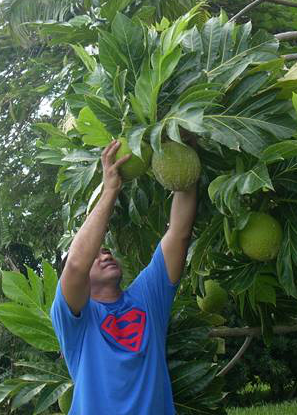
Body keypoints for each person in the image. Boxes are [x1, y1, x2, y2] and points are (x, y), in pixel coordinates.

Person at [50, 139, 197, 415]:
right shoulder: (75, 322)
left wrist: (184, 149)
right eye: (95, 255)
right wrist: (110, 190)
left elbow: (179, 232)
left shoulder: (148, 298)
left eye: (106, 251)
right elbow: (76, 266)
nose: (103, 254)